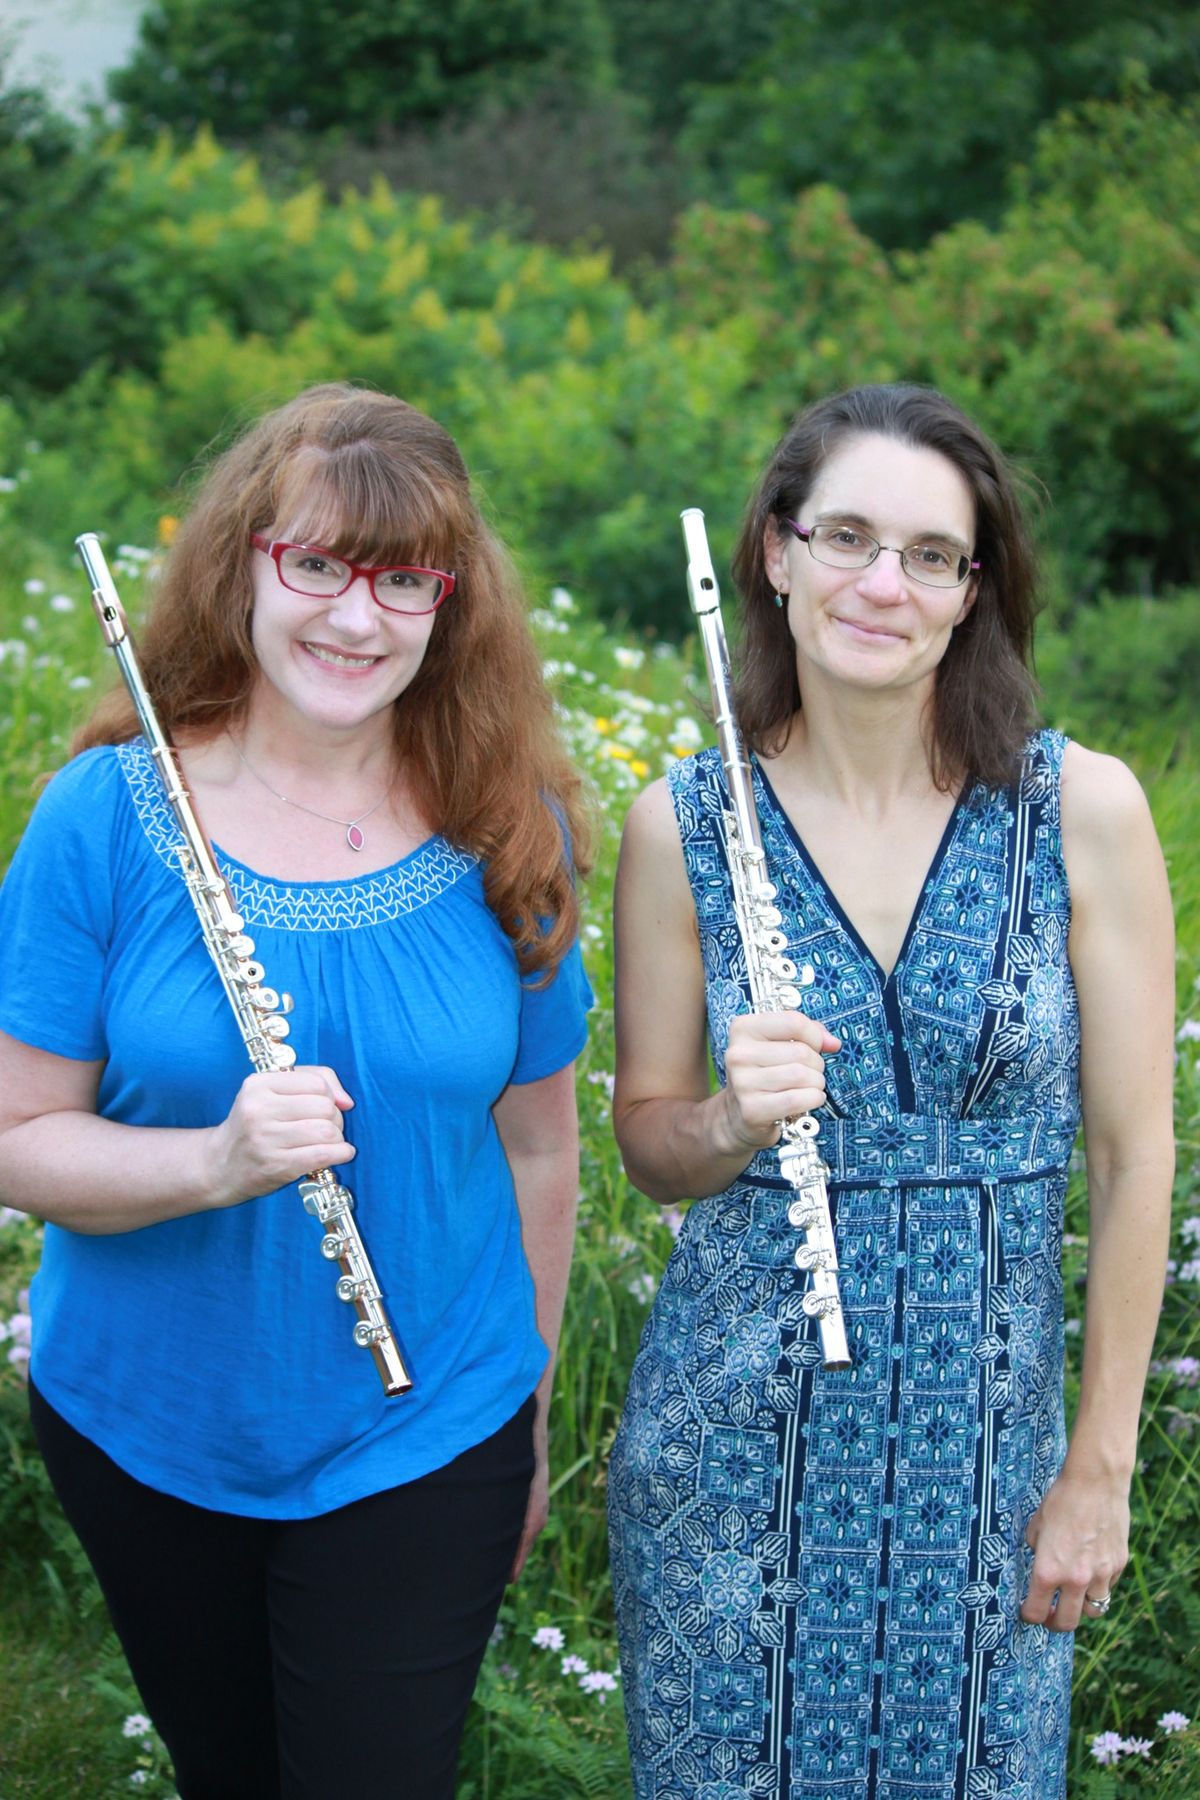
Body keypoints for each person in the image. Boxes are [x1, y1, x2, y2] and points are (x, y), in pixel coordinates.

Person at [0, 383, 593, 1799]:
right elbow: (16, 1139)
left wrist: (528, 1419)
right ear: (244, 565)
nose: (355, 614)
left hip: (428, 1419)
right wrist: (211, 1162)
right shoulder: (104, 818)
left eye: (405, 578)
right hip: (145, 1420)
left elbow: (541, 1155)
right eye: (316, 562)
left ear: (450, 604)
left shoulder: (515, 834)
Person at [607, 384, 1174, 1799]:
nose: (882, 583)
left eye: (931, 554)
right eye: (846, 536)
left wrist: (1097, 1471)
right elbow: (649, 1145)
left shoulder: (1080, 810)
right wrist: (731, 1123)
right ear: (776, 553)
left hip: (982, 1462)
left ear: (974, 591)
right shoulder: (680, 825)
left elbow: (1133, 1154)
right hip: (730, 1457)